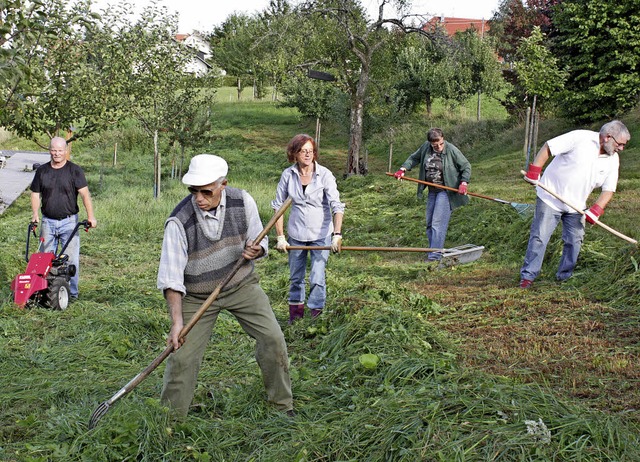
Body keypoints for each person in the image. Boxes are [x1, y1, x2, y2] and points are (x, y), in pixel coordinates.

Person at [157, 154, 293, 417]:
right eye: (193, 191)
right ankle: (169, 422)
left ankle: (282, 407)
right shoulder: (179, 221)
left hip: (240, 284)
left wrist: (256, 250)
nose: (199, 198)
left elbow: (259, 240)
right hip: (196, 295)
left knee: (273, 339)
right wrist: (176, 322)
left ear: (223, 185)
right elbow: (171, 278)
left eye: (206, 191)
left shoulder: (243, 201)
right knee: (182, 357)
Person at [519, 120, 631, 288]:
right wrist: (535, 171)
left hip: (576, 205)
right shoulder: (580, 138)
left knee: (574, 240)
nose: (621, 148)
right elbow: (548, 147)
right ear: (608, 137)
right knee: (540, 237)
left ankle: (564, 276)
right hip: (550, 197)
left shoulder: (613, 160)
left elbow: (609, 189)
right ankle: (528, 277)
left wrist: (596, 209)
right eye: (620, 144)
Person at [271, 134, 345, 324]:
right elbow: (278, 207)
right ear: (294, 153)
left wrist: (337, 235)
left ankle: (315, 318)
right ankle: (295, 318)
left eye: (310, 151)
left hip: (321, 234)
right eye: (303, 151)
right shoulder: (288, 175)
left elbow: (337, 206)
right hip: (296, 234)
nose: (307, 155)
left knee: (317, 277)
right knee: (296, 277)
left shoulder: (325, 175)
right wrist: (280, 236)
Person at [30, 136, 97, 299]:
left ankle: (71, 293)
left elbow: (85, 194)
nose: (57, 153)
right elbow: (35, 194)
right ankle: (44, 291)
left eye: (60, 150)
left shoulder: (74, 170)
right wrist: (35, 214)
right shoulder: (42, 171)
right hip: (48, 221)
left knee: (71, 259)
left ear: (66, 151)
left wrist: (91, 216)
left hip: (70, 222)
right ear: (49, 150)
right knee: (44, 258)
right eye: (54, 150)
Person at [394, 128, 471, 262]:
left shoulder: (451, 150)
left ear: (443, 139)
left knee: (437, 223)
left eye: (441, 144)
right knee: (430, 223)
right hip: (432, 191)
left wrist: (463, 182)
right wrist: (403, 169)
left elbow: (466, 166)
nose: (439, 147)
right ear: (430, 143)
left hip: (446, 191)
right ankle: (433, 251)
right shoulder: (425, 148)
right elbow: (414, 158)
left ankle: (435, 256)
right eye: (435, 145)